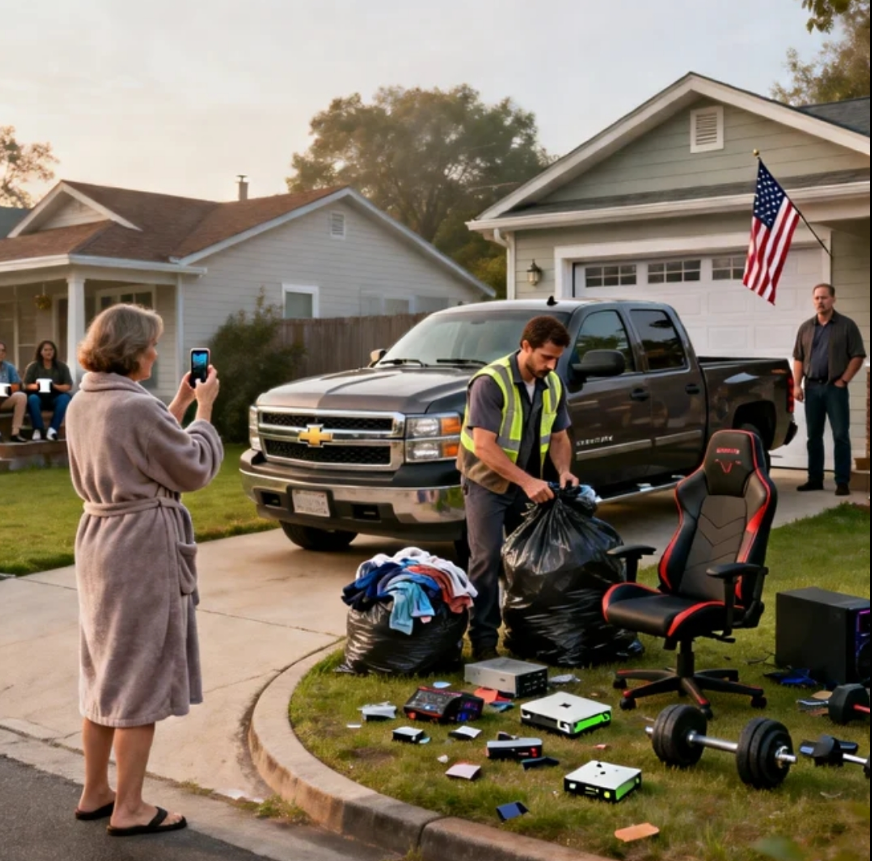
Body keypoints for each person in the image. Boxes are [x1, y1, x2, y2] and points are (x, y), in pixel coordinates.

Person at [65, 304, 223, 837]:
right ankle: (129, 807)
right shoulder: (135, 409)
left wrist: (175, 402)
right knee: (139, 675)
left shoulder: (84, 400)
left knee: (105, 669)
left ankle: (95, 791)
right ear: (131, 350)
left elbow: (140, 448)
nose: (156, 352)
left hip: (99, 542)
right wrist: (202, 411)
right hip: (140, 548)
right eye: (150, 345)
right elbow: (192, 466)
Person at [457, 315, 577, 661]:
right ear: (526, 346)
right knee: (487, 557)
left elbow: (558, 435)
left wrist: (565, 471)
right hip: (487, 482)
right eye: (545, 357)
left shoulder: (552, 383)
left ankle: (526, 634)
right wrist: (527, 482)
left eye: (557, 358)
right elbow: (483, 445)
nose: (551, 365)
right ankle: (483, 643)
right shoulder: (490, 383)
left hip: (528, 484)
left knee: (528, 561)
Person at [793, 283, 866, 497]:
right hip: (813, 388)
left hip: (835, 388)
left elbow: (858, 355)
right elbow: (798, 358)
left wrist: (844, 380)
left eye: (824, 297)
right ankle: (814, 479)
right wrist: (797, 385)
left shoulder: (846, 326)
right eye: (816, 298)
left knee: (840, 435)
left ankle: (842, 481)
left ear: (833, 299)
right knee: (813, 436)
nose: (820, 302)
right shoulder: (806, 328)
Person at [23, 340, 74, 441]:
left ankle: (52, 430)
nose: (48, 352)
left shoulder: (62, 366)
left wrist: (54, 386)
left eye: (51, 349)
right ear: (40, 352)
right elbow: (26, 385)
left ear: (54, 351)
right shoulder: (33, 366)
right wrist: (37, 386)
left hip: (55, 396)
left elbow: (68, 386)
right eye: (45, 350)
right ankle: (38, 429)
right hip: (38, 396)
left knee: (65, 398)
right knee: (32, 399)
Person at [0, 340, 28, 443]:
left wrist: (2, 390)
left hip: (5, 399)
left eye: (3, 351)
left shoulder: (9, 367)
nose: (1, 353)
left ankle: (15, 433)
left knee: (21, 396)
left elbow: (16, 386)